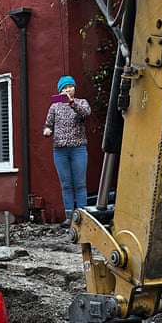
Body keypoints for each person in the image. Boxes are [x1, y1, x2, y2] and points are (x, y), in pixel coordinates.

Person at [43, 75, 91, 224]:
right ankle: (69, 216)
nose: (67, 90)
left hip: (78, 149)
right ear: (59, 91)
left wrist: (71, 103)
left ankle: (83, 216)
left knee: (80, 183)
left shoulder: (81, 102)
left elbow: (86, 113)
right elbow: (48, 124)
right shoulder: (55, 106)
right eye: (64, 88)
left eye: (69, 87)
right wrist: (47, 131)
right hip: (60, 151)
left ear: (74, 88)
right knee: (66, 184)